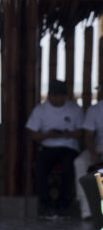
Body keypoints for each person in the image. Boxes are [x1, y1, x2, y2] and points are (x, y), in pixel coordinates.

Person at [26, 80, 84, 219]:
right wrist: (47, 135)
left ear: (66, 96)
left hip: (69, 147)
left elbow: (83, 132)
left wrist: (69, 134)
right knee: (40, 167)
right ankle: (46, 204)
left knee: (69, 167)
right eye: (55, 96)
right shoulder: (40, 110)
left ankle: (64, 203)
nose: (58, 99)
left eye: (61, 96)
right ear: (49, 95)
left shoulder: (74, 109)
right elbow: (32, 133)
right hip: (48, 146)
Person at [74, 85, 103, 219]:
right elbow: (89, 136)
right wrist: (93, 153)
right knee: (79, 162)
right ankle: (86, 210)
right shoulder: (94, 110)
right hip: (98, 147)